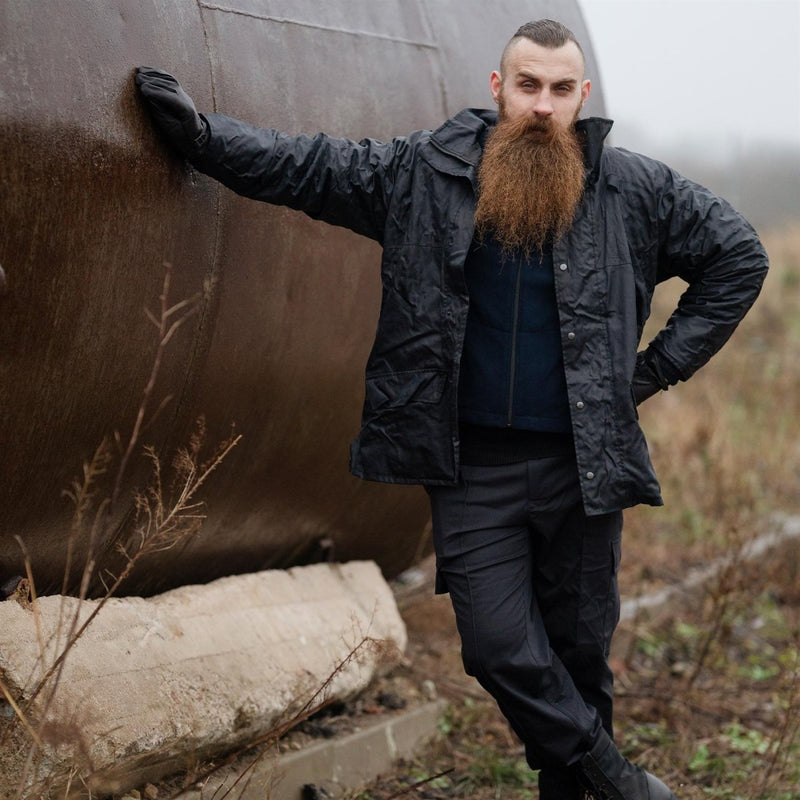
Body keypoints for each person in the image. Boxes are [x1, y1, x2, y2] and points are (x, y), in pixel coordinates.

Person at [135, 18, 767, 800]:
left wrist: (650, 372)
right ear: (499, 89)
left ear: (582, 97)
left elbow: (740, 255)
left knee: (576, 654)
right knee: (499, 647)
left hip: (584, 462)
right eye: (528, 85)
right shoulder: (421, 174)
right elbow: (307, 167)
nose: (543, 105)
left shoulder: (632, 189)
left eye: (560, 90)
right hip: (474, 469)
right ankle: (618, 781)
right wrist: (204, 138)